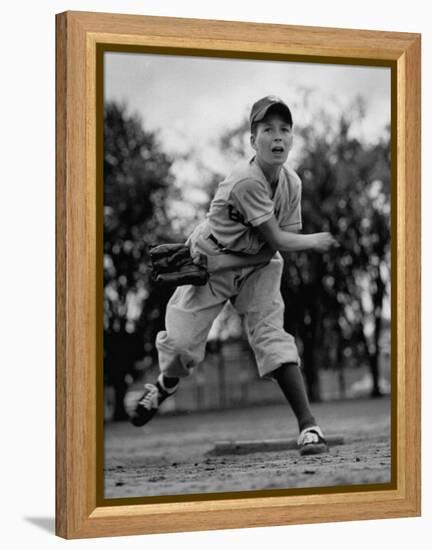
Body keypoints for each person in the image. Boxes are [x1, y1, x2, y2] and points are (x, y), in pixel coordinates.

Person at [130, 95, 336, 455]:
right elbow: (277, 238)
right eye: (267, 129)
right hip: (209, 258)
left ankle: (309, 426)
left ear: (291, 139)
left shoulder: (292, 184)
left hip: (255, 265)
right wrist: (315, 240)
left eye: (284, 129)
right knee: (180, 346)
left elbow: (274, 247)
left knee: (272, 336)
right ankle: (165, 384)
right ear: (252, 139)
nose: (277, 136)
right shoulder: (245, 181)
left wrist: (234, 263)